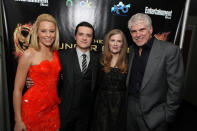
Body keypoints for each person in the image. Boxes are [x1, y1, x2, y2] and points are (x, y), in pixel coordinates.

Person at [126, 13, 184, 131]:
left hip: (155, 115)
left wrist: (168, 116)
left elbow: (176, 88)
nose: (138, 35)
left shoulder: (170, 51)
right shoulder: (131, 51)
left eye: (142, 29)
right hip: (130, 110)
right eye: (134, 31)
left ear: (150, 29)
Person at [13, 14, 61, 131]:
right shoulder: (29, 54)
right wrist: (18, 120)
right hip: (32, 109)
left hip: (52, 109)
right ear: (37, 33)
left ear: (56, 33)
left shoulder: (56, 53)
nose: (48, 35)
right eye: (43, 31)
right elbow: (17, 90)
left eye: (51, 31)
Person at [59, 21, 99, 131]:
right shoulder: (62, 56)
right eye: (81, 34)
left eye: (88, 35)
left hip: (86, 115)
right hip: (66, 112)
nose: (84, 38)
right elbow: (50, 76)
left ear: (92, 39)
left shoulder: (98, 59)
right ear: (75, 36)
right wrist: (31, 79)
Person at [92, 29, 128, 131]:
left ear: (122, 44)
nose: (115, 44)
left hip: (120, 107)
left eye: (119, 41)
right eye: (112, 40)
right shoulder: (99, 59)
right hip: (101, 106)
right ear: (108, 42)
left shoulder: (129, 61)